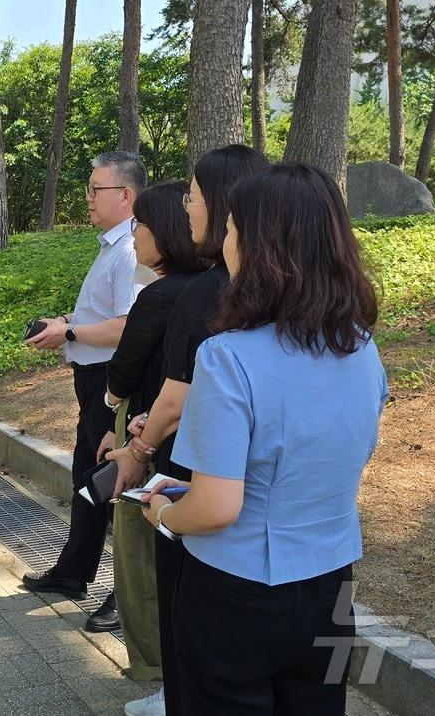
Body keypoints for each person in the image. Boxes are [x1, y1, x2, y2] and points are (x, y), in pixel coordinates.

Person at [141, 163, 388, 714]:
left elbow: (216, 507)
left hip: (236, 593)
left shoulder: (227, 357)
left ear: (258, 245)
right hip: (331, 586)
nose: (225, 241)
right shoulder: (362, 349)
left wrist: (162, 513)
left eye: (230, 229)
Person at [113, 144, 269, 716]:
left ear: (229, 211)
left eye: (194, 196)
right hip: (317, 564)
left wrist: (139, 448)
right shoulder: (340, 331)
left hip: (198, 480)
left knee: (188, 608)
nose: (187, 206)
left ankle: (176, 694)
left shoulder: (210, 294)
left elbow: (176, 400)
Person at [22, 150, 147, 632]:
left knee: (115, 483)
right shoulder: (112, 247)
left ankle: (126, 591)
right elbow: (103, 316)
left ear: (125, 195)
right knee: (88, 478)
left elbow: (128, 326)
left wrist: (70, 334)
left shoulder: (132, 249)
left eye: (96, 189)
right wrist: (67, 323)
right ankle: (74, 572)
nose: (88, 198)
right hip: (92, 382)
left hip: (112, 385)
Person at [94, 181, 206, 682]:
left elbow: (122, 375)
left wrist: (122, 427)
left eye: (141, 225)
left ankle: (154, 673)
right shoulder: (219, 290)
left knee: (140, 555)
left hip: (149, 432)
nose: (135, 235)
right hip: (195, 443)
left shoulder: (161, 296)